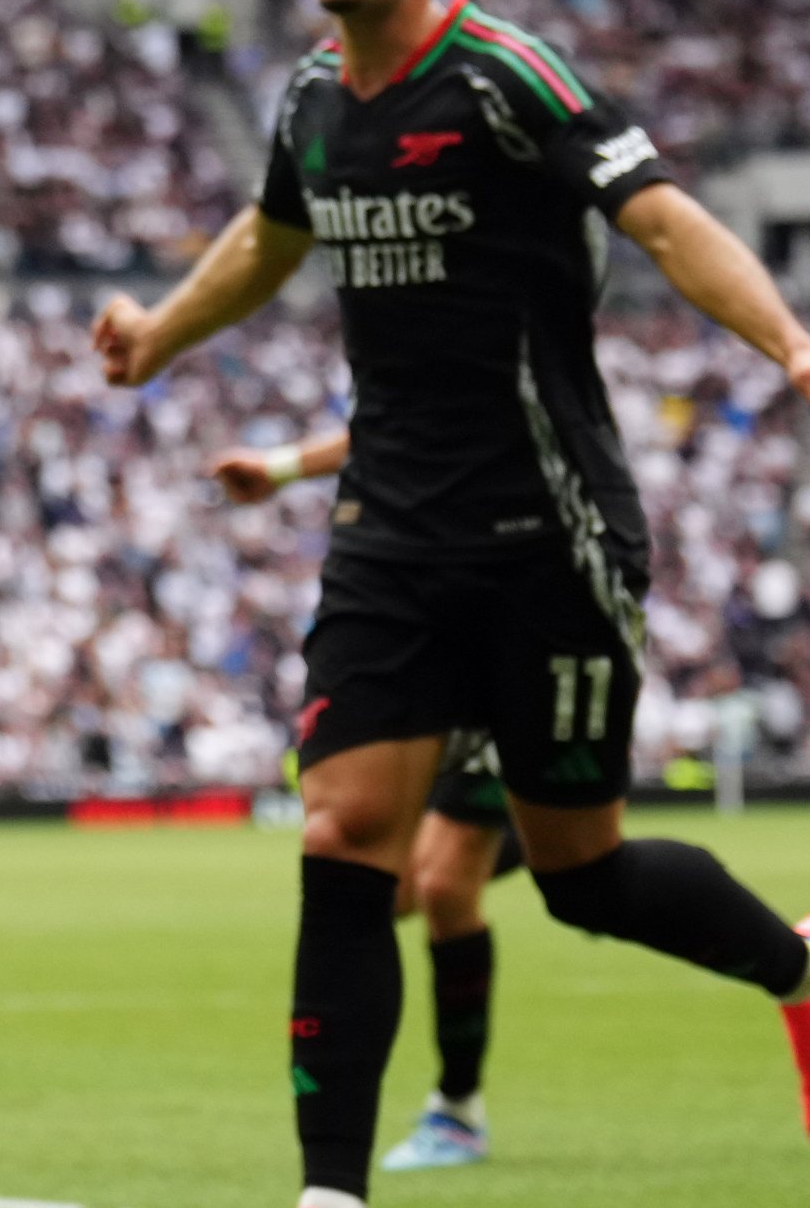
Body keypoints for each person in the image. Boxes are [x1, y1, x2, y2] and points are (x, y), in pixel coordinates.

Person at [97, 0, 810, 1208]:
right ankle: (328, 1189)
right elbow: (268, 233)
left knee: (577, 872)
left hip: (551, 533)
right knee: (344, 833)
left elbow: (657, 213)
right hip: (389, 535)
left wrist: (793, 347)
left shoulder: (503, 73)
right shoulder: (304, 101)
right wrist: (159, 332)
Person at [216, 419, 528, 1174]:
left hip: (500, 613)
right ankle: (553, 849)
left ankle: (456, 1109)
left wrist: (281, 466)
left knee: (452, 882)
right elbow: (388, 424)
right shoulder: (410, 354)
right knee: (395, 892)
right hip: (430, 625)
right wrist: (282, 466)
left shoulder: (490, 343)